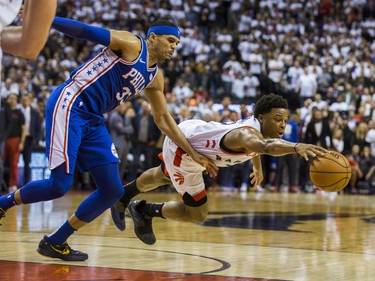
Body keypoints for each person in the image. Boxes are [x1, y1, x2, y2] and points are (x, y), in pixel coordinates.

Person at [0, 17, 218, 261]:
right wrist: (46, 19)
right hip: (72, 102)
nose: (173, 47)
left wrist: (192, 152)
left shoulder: (155, 77)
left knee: (112, 190)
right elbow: (85, 31)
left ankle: (55, 241)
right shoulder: (133, 45)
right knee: (58, 185)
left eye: (177, 43)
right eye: (170, 40)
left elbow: (165, 119)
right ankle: (2, 203)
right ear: (153, 37)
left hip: (93, 119)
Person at [110, 94, 328, 245]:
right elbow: (264, 146)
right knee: (196, 213)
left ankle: (125, 196)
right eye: (278, 119)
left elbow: (259, 147)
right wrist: (296, 147)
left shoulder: (255, 127)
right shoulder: (246, 135)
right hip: (186, 153)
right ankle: (144, 210)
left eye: (285, 120)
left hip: (194, 131)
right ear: (261, 118)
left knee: (162, 174)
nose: (283, 125)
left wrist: (257, 167)